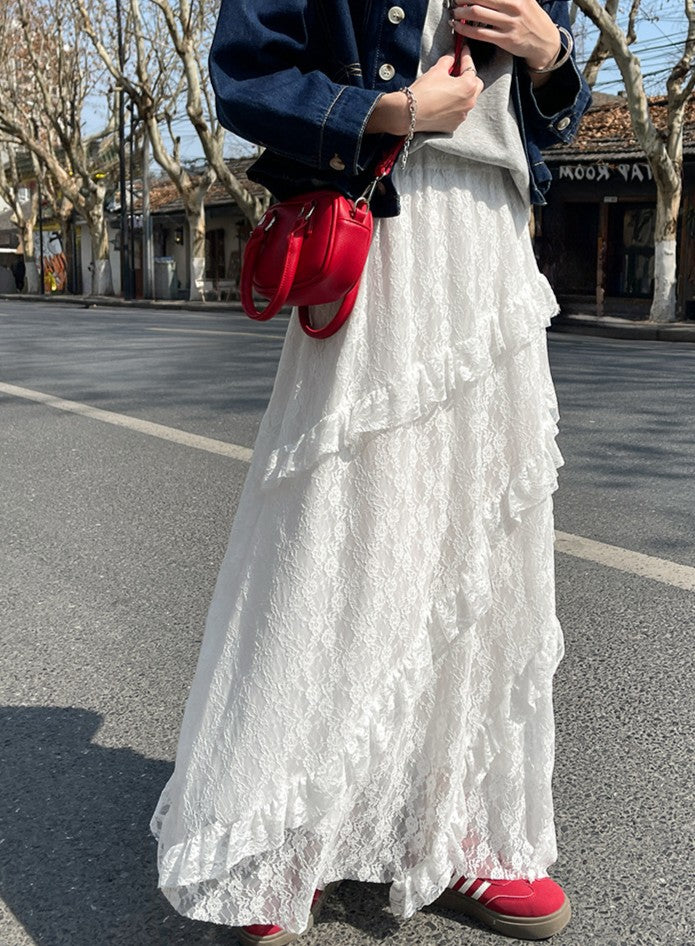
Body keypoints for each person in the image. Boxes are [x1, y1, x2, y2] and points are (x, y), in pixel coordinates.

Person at [150, 1, 592, 943]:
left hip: (494, 238)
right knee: (341, 521)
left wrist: (551, 55)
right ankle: (286, 830)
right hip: (382, 222)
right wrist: (388, 111)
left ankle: (449, 822)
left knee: (477, 532)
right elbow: (246, 70)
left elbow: (545, 104)